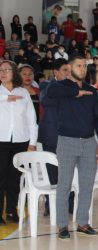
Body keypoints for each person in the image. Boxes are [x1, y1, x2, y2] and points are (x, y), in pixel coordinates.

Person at [46, 55, 98, 239]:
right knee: (64, 185)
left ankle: (82, 223)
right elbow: (50, 92)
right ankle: (62, 225)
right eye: (78, 66)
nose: (82, 69)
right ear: (70, 68)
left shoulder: (92, 91)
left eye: (84, 66)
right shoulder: (60, 87)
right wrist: (74, 93)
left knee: (87, 185)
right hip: (66, 141)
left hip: (89, 142)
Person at [0, 60, 37, 224]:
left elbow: (32, 120)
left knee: (14, 179)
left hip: (21, 141)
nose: (3, 72)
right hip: (1, 141)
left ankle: (11, 211)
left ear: (14, 73)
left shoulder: (24, 93)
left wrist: (32, 143)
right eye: (1, 70)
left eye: (6, 70)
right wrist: (5, 98)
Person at [38, 58, 71, 216]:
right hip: (50, 136)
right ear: (56, 72)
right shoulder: (46, 85)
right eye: (65, 70)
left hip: (70, 135)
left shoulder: (74, 87)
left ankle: (68, 205)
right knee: (52, 173)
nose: (68, 73)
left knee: (69, 171)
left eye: (69, 70)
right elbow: (46, 100)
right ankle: (51, 206)